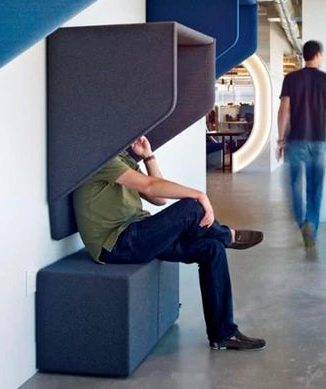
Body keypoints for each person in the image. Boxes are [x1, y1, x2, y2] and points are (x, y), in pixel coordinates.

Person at [74, 135, 267, 351]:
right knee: (192, 207)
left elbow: (159, 199)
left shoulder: (122, 160)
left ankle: (223, 334)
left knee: (212, 249)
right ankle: (227, 235)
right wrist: (199, 195)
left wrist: (148, 157)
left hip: (137, 233)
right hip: (117, 244)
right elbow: (150, 186)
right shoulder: (102, 160)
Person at [276, 40, 326, 250]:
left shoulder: (291, 79)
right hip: (319, 141)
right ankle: (312, 227)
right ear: (319, 55)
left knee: (295, 185)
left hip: (295, 140)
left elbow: (283, 110)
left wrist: (280, 139)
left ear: (304, 55)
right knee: (315, 189)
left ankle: (302, 223)